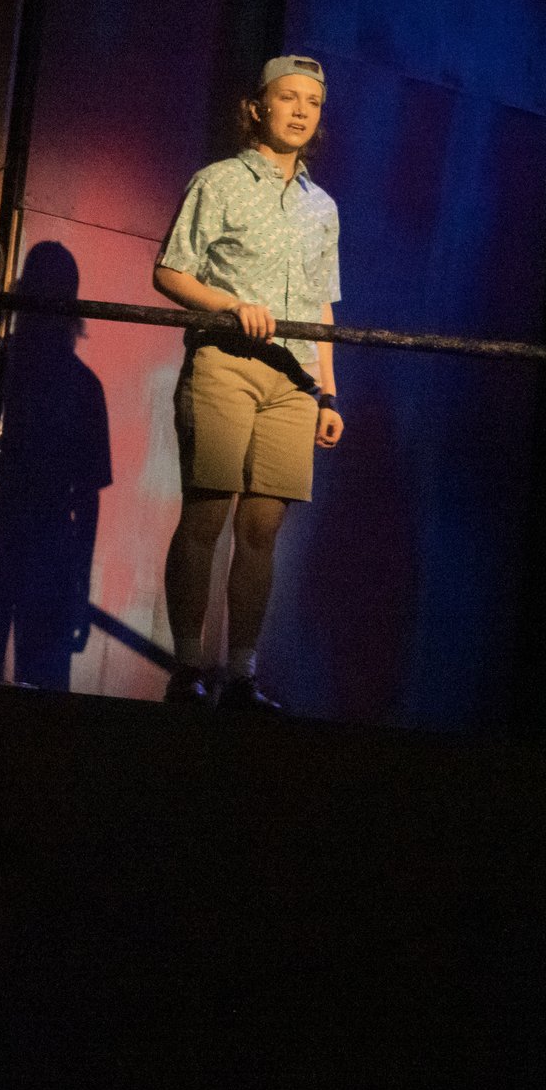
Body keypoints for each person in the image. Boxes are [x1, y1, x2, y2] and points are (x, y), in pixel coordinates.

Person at [151, 54, 345, 714]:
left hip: (293, 381)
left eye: (312, 102)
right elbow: (170, 271)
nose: (300, 110)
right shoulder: (219, 182)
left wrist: (327, 392)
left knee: (262, 526)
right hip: (226, 365)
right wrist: (231, 305)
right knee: (207, 513)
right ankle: (187, 667)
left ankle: (241, 675)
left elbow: (322, 304)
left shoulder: (323, 207)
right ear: (258, 106)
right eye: (288, 97)